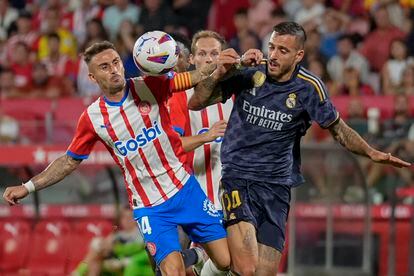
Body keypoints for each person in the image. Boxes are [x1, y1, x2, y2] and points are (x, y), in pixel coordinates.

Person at [189, 21, 411, 275]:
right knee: (247, 268)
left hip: (276, 187)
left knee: (264, 272)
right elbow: (196, 102)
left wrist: (372, 152)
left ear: (299, 55)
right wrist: (219, 73)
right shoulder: (250, 72)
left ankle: (204, 272)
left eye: (283, 51)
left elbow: (338, 129)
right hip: (238, 178)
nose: (273, 55)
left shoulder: (309, 88)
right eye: (271, 47)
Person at [3, 40, 230, 276]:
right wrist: (27, 187)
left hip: (185, 189)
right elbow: (69, 161)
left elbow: (190, 79)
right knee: (173, 272)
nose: (113, 70)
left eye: (116, 62)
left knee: (225, 261)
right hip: (149, 207)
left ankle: (198, 255)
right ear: (92, 78)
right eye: (104, 67)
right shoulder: (92, 118)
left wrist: (219, 64)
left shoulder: (150, 86)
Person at [168, 30, 234, 275]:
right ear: (193, 59)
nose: (208, 59)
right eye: (202, 54)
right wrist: (206, 136)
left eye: (214, 53)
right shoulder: (179, 97)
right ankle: (197, 255)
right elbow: (172, 145)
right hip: (195, 193)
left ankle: (197, 257)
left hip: (231, 191)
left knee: (230, 263)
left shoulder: (235, 93)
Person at [73, 206, 152, 276]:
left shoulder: (141, 233)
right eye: (124, 217)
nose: (126, 220)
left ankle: (77, 273)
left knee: (99, 251)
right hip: (117, 260)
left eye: (129, 217)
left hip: (133, 262)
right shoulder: (118, 234)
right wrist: (102, 244)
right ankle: (77, 273)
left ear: (135, 219)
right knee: (95, 259)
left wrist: (115, 248)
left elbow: (137, 248)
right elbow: (105, 245)